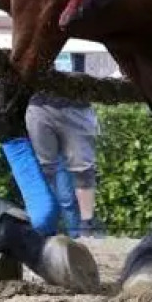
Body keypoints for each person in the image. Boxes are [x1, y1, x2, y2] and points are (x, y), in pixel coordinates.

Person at [26, 89, 104, 238]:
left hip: (77, 105)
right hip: (39, 105)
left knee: (84, 170)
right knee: (48, 170)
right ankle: (53, 227)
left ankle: (85, 225)